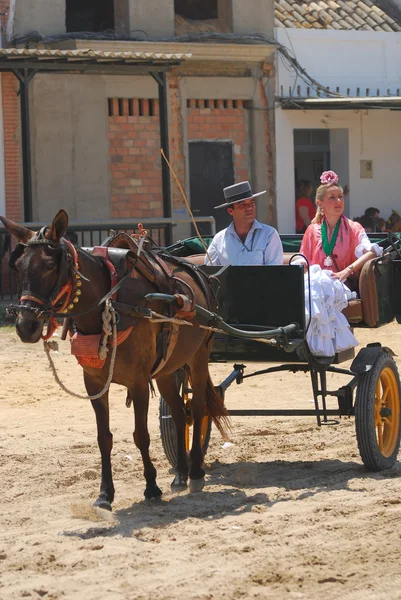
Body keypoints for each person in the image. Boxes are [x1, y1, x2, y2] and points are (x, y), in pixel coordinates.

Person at [299, 170, 383, 357]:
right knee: (315, 284)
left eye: (340, 197)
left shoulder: (353, 228)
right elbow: (302, 258)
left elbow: (372, 251)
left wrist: (347, 270)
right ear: (320, 204)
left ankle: (322, 347)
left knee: (320, 285)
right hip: (316, 283)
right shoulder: (312, 230)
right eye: (332, 198)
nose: (338, 201)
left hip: (341, 285)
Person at [204, 181, 283, 266]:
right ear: (231, 211)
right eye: (242, 205)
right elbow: (209, 273)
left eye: (252, 203)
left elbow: (274, 273)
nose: (249, 208)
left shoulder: (269, 235)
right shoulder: (219, 240)